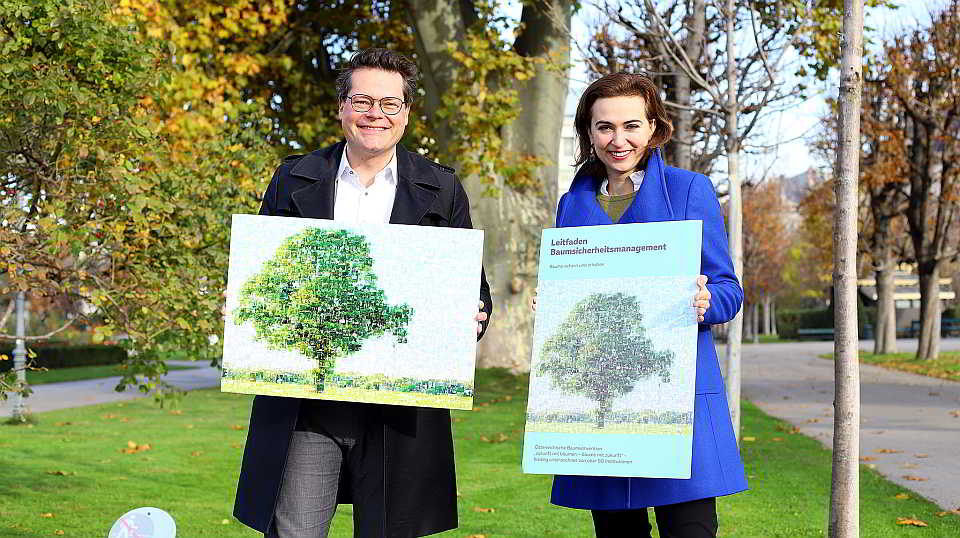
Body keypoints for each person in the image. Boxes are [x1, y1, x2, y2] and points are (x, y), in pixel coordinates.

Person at [233, 48, 493, 538]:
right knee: (293, 531)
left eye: (390, 104)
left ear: (407, 113)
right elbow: (265, 275)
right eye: (363, 101)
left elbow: (473, 291)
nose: (376, 114)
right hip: (307, 402)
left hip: (401, 406)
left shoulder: (441, 188)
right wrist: (247, 301)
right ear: (342, 107)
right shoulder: (293, 177)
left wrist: (473, 316)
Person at [539, 72, 747, 537]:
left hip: (676, 397)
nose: (618, 140)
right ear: (588, 132)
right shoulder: (571, 204)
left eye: (631, 125)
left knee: (690, 530)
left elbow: (728, 289)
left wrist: (707, 299)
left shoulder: (690, 189)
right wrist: (553, 304)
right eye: (604, 127)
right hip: (601, 401)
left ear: (653, 127)